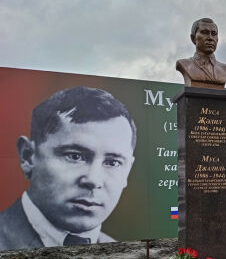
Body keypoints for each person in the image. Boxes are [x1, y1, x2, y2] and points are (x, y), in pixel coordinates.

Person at [0, 86, 137, 250]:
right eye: (75, 156)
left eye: (112, 162)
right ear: (28, 156)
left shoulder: (120, 252)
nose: (93, 180)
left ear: (127, 171)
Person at [176, 18, 226, 89]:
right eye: (204, 32)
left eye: (214, 34)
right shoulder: (184, 64)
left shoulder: (224, 69)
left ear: (217, 38)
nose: (210, 38)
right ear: (193, 38)